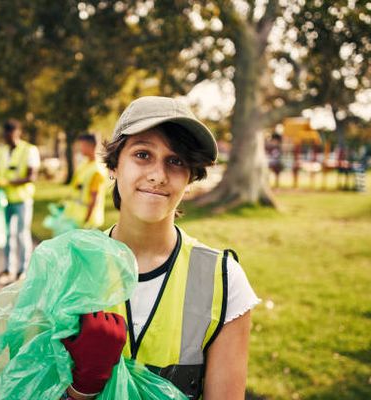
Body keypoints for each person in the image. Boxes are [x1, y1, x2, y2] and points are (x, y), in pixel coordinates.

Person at [61, 96, 260, 399]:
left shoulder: (223, 280)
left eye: (176, 161)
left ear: (190, 177)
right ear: (114, 166)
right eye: (143, 154)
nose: (158, 175)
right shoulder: (70, 268)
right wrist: (82, 386)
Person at [0, 118, 40, 285]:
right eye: (6, 135)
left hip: (22, 200)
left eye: (11, 134)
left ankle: (24, 270)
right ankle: (8, 268)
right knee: (6, 235)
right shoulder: (1, 150)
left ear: (17, 133)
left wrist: (10, 182)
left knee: (22, 234)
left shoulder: (29, 150)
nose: (8, 138)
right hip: (5, 200)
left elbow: (31, 176)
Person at [63, 133, 107, 229]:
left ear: (91, 146)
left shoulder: (97, 170)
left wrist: (86, 221)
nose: (80, 148)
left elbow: (95, 198)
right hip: (77, 217)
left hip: (87, 221)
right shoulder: (85, 164)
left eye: (82, 145)